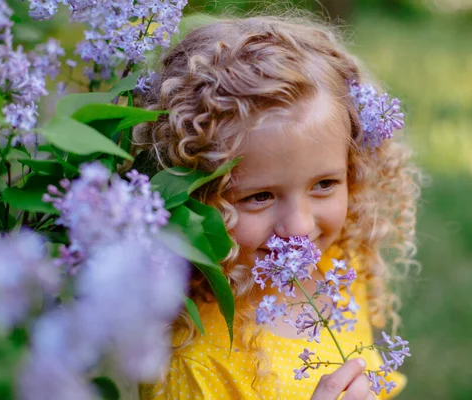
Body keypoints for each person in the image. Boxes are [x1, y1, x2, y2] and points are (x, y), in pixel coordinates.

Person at [134, 13, 421, 400]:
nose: (300, 228)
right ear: (198, 200)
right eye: (259, 196)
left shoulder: (337, 268)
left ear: (352, 173)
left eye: (324, 184)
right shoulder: (194, 359)